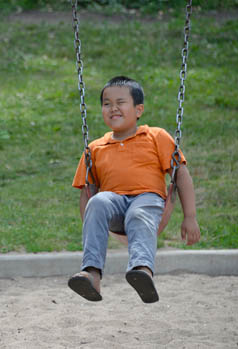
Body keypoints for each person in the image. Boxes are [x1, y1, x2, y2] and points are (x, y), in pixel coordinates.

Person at [68, 76, 200, 303]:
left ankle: (142, 271)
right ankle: (92, 275)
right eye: (107, 104)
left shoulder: (156, 137)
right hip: (114, 206)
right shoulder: (95, 148)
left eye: (121, 102)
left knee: (139, 212)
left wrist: (190, 216)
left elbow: (181, 175)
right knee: (98, 201)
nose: (113, 108)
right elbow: (87, 193)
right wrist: (91, 227)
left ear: (138, 110)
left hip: (148, 200)